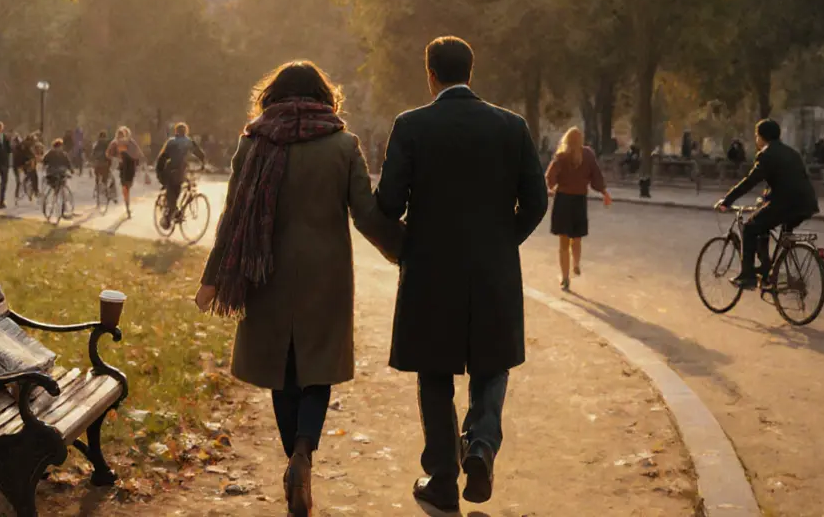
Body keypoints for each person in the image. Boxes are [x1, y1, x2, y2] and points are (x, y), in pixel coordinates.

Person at [196, 61, 402, 517]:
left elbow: (232, 216)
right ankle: (304, 454)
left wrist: (213, 278)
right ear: (324, 96)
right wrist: (405, 251)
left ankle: (294, 461)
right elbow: (366, 214)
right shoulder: (343, 144)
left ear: (272, 96)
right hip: (324, 275)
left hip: (263, 271)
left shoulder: (253, 143)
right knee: (317, 368)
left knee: (281, 370)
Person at [374, 36, 548, 511]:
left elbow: (389, 203)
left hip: (431, 269)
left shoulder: (411, 126)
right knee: (493, 364)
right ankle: (483, 446)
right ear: (472, 72)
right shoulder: (512, 127)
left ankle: (443, 479)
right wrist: (500, 240)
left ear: (430, 75)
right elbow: (536, 202)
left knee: (434, 372)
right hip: (493, 269)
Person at [714, 119, 820, 289]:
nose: (756, 140)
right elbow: (789, 179)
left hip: (785, 204)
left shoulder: (767, 154)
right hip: (806, 204)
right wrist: (765, 199)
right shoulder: (792, 153)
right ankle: (767, 270)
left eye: (757, 136)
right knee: (765, 226)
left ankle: (748, 276)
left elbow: (750, 181)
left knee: (749, 228)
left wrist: (727, 200)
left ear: (762, 137)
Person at [546, 127, 613, 290]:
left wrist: (550, 187)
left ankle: (565, 278)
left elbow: (550, 177)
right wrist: (604, 192)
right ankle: (576, 263)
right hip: (579, 201)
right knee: (576, 238)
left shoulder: (561, 156)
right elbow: (596, 176)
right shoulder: (588, 155)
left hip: (563, 200)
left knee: (563, 242)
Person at [155, 123, 206, 230]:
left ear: (176, 131)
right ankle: (173, 214)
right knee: (176, 191)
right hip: (181, 171)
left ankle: (172, 215)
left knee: (173, 194)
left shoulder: (171, 142)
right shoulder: (189, 142)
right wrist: (203, 165)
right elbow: (200, 154)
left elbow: (161, 159)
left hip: (171, 171)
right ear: (186, 131)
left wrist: (160, 173)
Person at [107, 126, 145, 218]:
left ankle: (127, 205)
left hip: (124, 168)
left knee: (126, 188)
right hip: (130, 167)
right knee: (127, 187)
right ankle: (127, 206)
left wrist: (116, 158)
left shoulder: (115, 143)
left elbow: (108, 154)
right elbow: (139, 153)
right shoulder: (130, 142)